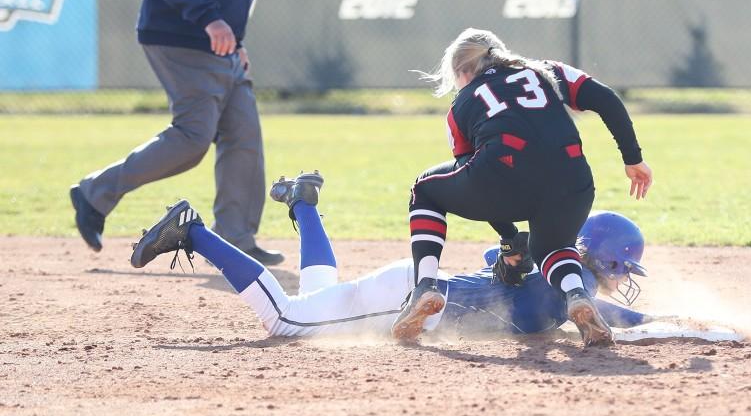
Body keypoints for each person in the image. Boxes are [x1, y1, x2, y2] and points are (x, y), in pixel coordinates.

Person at [128, 172, 660, 341]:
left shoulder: (549, 262)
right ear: (605, 262)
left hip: (416, 284)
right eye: (622, 267)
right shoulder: (578, 292)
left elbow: (498, 259)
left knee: (318, 297)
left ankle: (304, 206)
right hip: (413, 305)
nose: (622, 279)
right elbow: (624, 320)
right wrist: (701, 326)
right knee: (285, 320)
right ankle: (194, 233)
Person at [69, 0, 282, 265]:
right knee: (192, 137)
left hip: (220, 42)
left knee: (244, 135)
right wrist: (211, 21)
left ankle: (236, 239)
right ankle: (94, 193)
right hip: (184, 39)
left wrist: (236, 38)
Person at [398, 28, 654, 346]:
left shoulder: (461, 105)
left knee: (424, 190)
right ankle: (576, 295)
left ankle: (425, 287)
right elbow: (606, 99)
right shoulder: (548, 70)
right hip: (574, 181)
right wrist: (633, 160)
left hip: (504, 175)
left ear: (462, 71)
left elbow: (476, 176)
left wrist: (509, 237)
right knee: (553, 247)